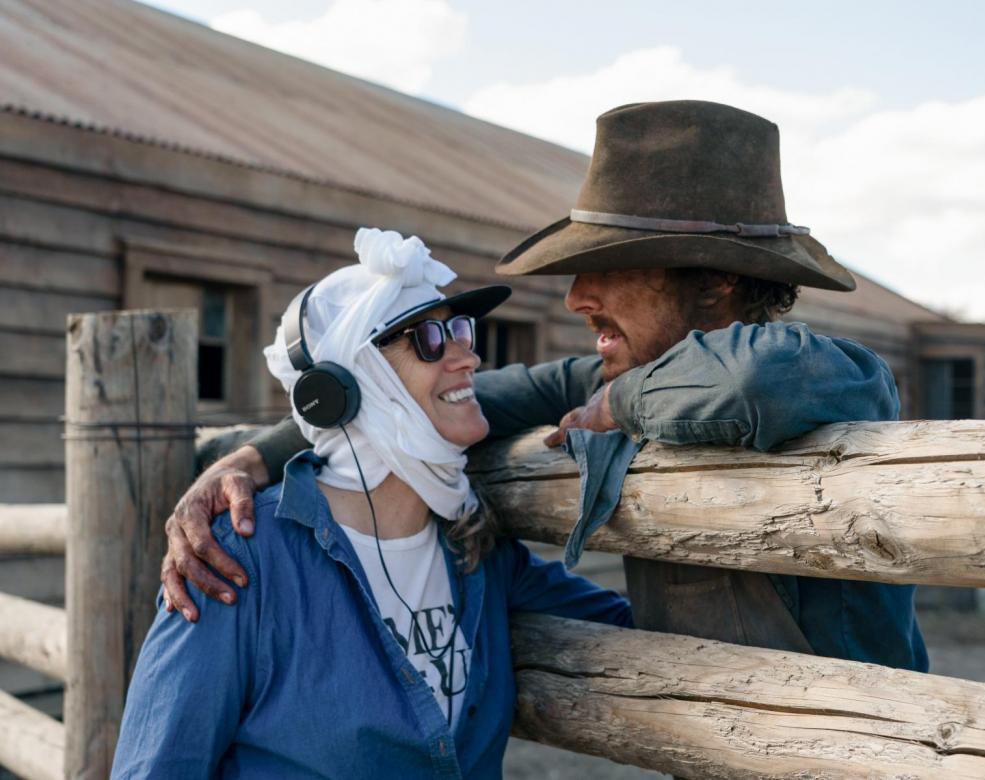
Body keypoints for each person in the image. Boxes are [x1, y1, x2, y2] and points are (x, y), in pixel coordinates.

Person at [162, 100, 928, 671]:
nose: (576, 298)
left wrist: (614, 407)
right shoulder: (610, 373)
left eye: (612, 269)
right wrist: (251, 461)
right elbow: (430, 402)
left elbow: (750, 386)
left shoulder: (825, 372)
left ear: (717, 282)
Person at [112, 229, 632, 778]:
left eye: (460, 330)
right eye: (430, 339)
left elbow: (636, 630)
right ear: (347, 383)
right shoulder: (241, 559)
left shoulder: (478, 553)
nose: (468, 356)